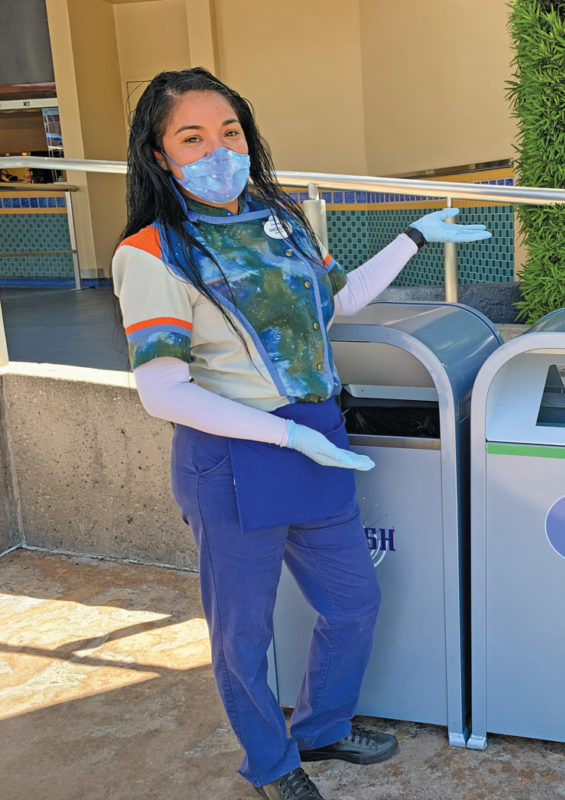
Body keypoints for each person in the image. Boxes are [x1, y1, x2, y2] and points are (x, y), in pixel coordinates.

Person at [112, 67, 490, 800]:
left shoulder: (279, 218)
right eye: (192, 137)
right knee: (241, 636)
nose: (218, 149)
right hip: (231, 458)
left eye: (229, 132)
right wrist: (286, 439)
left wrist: (414, 237)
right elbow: (161, 390)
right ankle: (272, 763)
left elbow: (339, 300)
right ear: (160, 155)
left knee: (353, 603)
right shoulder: (150, 253)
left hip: (318, 437)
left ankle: (322, 727)